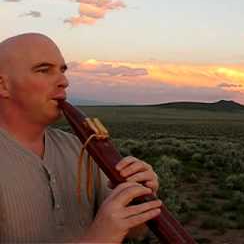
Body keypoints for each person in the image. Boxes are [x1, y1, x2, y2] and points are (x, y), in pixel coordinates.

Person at [0, 33, 162, 243]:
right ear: (3, 85)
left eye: (62, 70)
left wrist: (139, 198)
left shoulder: (82, 148)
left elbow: (132, 232)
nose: (63, 82)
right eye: (44, 70)